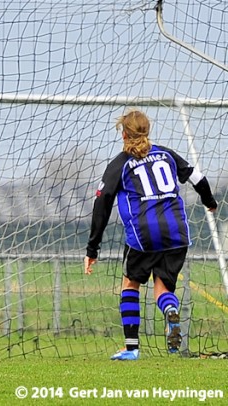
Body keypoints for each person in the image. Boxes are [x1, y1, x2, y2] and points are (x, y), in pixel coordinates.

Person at [84, 109, 217, 361]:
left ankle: (132, 349)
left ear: (123, 134)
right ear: (148, 130)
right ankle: (170, 311)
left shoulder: (120, 164)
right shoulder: (166, 153)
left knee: (130, 284)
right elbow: (197, 178)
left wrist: (92, 250)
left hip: (143, 235)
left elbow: (101, 204)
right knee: (163, 288)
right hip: (177, 233)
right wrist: (209, 201)